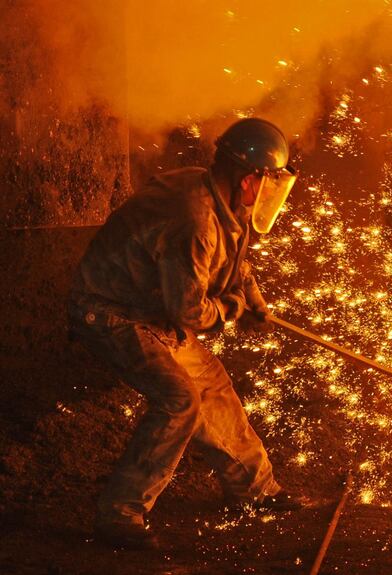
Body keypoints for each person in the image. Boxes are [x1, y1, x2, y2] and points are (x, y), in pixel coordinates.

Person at [67, 118, 300, 549]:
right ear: (250, 178)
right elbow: (190, 311)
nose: (268, 193)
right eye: (267, 181)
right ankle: (119, 517)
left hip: (150, 312)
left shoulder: (216, 193)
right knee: (179, 400)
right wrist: (233, 308)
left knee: (212, 386)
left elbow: (235, 261)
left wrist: (252, 296)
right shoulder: (192, 219)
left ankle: (255, 491)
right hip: (109, 311)